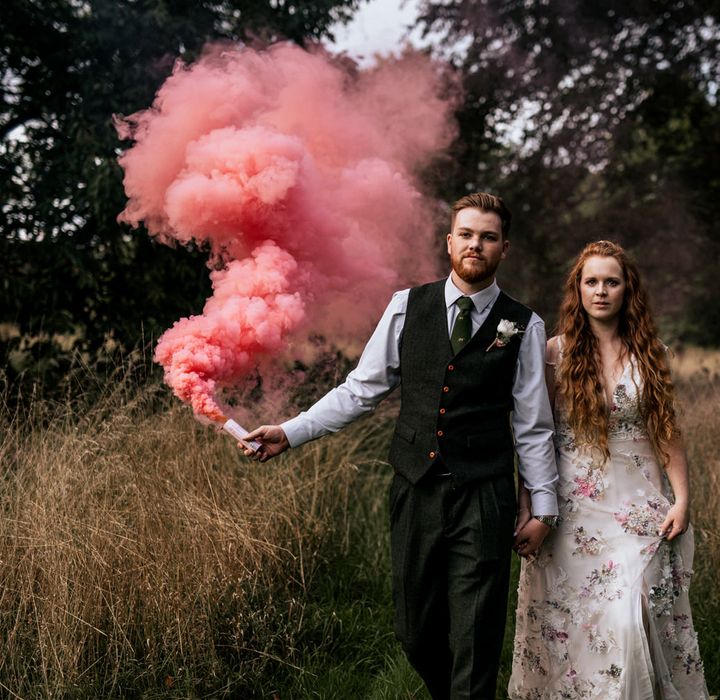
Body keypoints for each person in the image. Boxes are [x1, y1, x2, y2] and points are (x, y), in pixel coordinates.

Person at [240, 192, 559, 699]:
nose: (477, 245)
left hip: (484, 496)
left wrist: (542, 507)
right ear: (450, 241)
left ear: (504, 248)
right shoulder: (408, 306)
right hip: (416, 490)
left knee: (475, 637)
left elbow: (533, 425)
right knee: (414, 632)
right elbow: (360, 390)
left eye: (489, 237)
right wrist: (291, 431)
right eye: (468, 234)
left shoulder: (524, 323)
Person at [509, 240, 709, 699]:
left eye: (611, 282)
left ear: (627, 289)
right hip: (574, 511)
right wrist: (529, 505)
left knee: (633, 610)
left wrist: (682, 499)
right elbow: (535, 437)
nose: (601, 291)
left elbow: (667, 431)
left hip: (640, 506)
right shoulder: (553, 353)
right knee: (578, 627)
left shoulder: (651, 353)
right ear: (577, 289)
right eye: (591, 281)